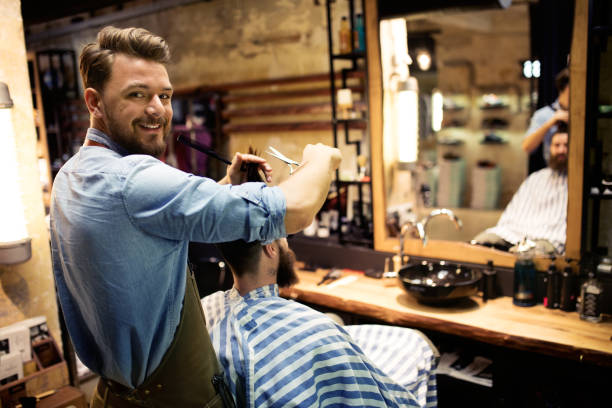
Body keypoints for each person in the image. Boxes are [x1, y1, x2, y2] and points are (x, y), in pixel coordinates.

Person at [49, 26, 341, 407]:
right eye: (137, 94)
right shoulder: (131, 178)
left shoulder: (72, 175)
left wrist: (224, 187)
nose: (158, 109)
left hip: (113, 395)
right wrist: (321, 160)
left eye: (165, 95)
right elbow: (297, 211)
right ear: (94, 102)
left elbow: (141, 231)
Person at [202, 237, 438, 407]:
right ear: (270, 247)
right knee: (416, 345)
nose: (287, 242)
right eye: (283, 236)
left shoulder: (206, 307)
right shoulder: (316, 330)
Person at [472, 121, 569, 254]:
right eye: (557, 145)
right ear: (549, 148)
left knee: (525, 257)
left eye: (566, 145)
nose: (561, 150)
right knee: (480, 243)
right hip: (514, 232)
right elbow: (514, 213)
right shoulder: (536, 178)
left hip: (549, 237)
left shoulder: (575, 184)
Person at [522, 68, 569, 163]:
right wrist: (549, 124)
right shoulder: (544, 114)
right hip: (553, 170)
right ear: (565, 88)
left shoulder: (583, 115)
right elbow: (527, 147)